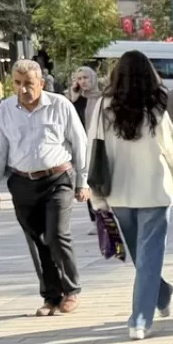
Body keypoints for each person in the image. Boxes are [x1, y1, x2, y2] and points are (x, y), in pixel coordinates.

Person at [89, 51, 173, 340]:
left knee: (145, 257)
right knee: (144, 258)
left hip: (127, 192)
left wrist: (97, 195)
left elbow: (94, 153)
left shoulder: (107, 108)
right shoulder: (153, 107)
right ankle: (162, 293)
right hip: (148, 191)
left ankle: (140, 318)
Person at [0, 59, 90, 316]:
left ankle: (72, 289)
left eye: (28, 84)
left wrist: (82, 182)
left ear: (41, 83)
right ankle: (51, 297)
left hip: (58, 180)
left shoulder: (60, 105)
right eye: (17, 84)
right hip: (22, 182)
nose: (22, 89)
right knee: (36, 241)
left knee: (55, 234)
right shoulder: (5, 110)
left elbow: (80, 143)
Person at [70, 67, 105, 236]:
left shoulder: (101, 98)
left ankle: (107, 217)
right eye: (79, 78)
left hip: (99, 145)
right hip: (82, 147)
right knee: (87, 183)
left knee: (101, 183)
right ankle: (95, 220)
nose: (83, 81)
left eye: (85, 77)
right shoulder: (74, 100)